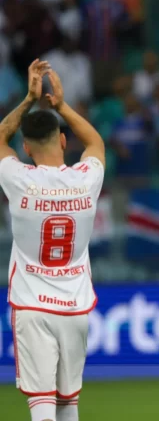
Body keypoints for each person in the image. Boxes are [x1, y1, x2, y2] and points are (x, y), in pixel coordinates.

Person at [2, 60, 106, 421]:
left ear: (26, 150)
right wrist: (60, 105)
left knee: (42, 406)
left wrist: (29, 99)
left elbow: (0, 138)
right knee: (68, 404)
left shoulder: (18, 179)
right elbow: (95, 142)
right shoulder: (86, 179)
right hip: (74, 308)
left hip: (32, 306)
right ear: (63, 141)